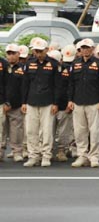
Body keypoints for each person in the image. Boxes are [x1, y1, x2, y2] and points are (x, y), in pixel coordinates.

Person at [68, 39, 99, 168]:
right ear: (80, 50)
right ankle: (82, 155)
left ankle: (94, 156)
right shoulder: (75, 64)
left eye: (88, 48)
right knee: (80, 131)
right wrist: (70, 100)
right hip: (78, 101)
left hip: (94, 102)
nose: (85, 50)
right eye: (83, 48)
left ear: (92, 49)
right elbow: (71, 84)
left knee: (95, 131)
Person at [21, 37, 61, 167]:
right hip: (32, 101)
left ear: (46, 50)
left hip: (48, 102)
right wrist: (23, 102)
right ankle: (33, 156)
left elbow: (57, 85)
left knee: (47, 131)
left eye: (40, 51)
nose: (37, 53)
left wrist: (56, 103)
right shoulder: (29, 63)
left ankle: (46, 156)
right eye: (35, 51)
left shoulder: (54, 64)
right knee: (31, 131)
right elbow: (25, 84)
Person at [2, 44, 25, 162]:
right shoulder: (3, 66)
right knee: (1, 130)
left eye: (13, 53)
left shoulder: (23, 68)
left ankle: (17, 152)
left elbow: (25, 87)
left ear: (18, 54)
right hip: (2, 104)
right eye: (9, 53)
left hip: (16, 104)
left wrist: (23, 103)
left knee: (16, 130)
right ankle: (0, 152)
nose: (11, 56)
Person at [53, 44, 76, 162]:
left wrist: (69, 102)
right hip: (51, 105)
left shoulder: (74, 69)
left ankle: (62, 150)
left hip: (64, 105)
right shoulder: (54, 69)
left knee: (64, 131)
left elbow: (72, 88)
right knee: (48, 131)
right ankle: (49, 151)